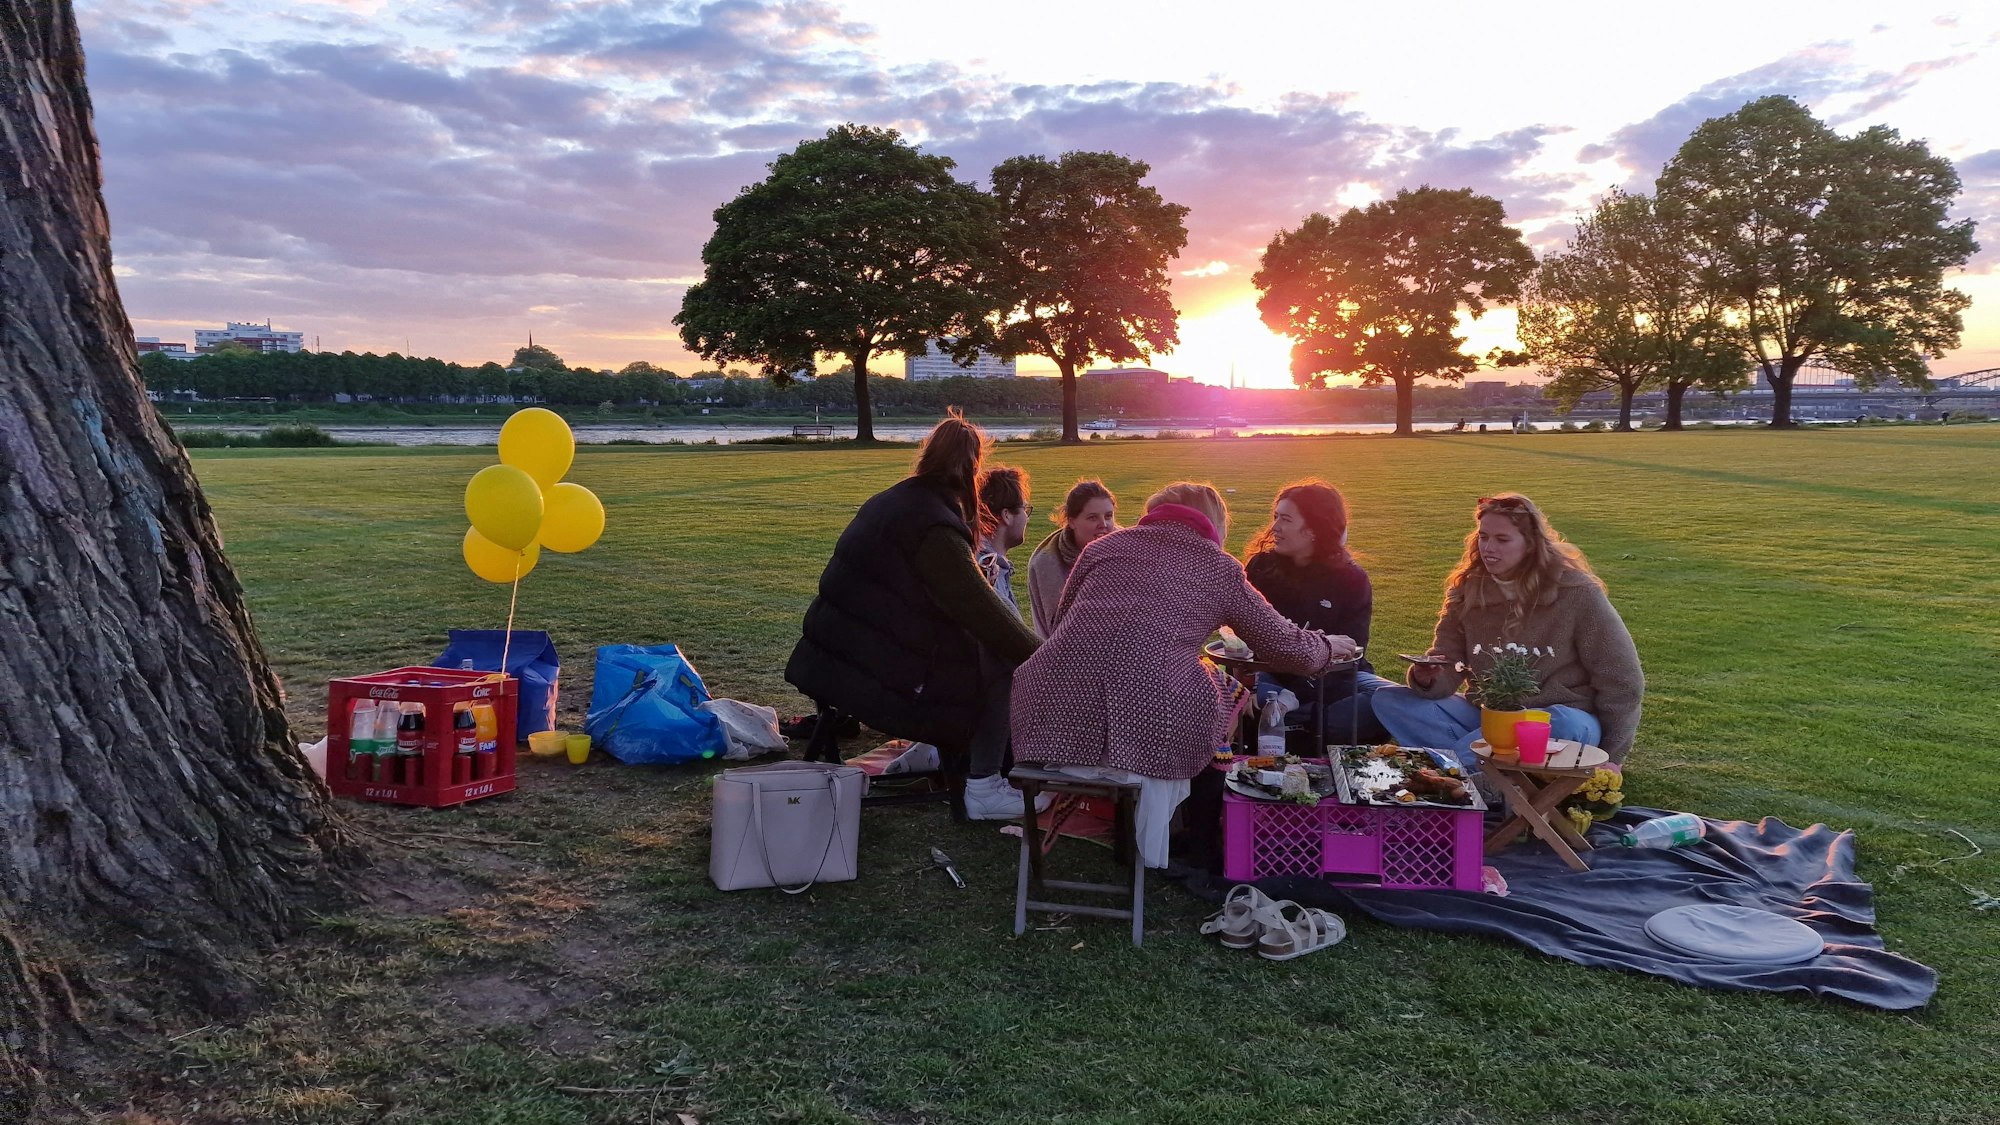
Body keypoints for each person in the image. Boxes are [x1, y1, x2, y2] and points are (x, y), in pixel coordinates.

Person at [1010, 483, 1354, 866]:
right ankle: (1199, 843)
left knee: (1208, 684)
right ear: (1214, 522)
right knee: (1219, 705)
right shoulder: (1217, 566)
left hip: (1052, 718)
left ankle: (1164, 832)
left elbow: (1062, 623)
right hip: (1137, 729)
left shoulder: (1103, 548)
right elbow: (1284, 645)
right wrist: (1325, 646)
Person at [784, 414, 1044, 820]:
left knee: (975, 653)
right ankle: (984, 785)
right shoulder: (934, 525)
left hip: (833, 652)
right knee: (1000, 664)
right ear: (973, 470)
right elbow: (985, 613)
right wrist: (1046, 658)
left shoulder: (897, 500)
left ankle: (959, 764)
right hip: (865, 667)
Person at [1369, 492, 1645, 767]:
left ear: (1530, 544)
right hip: (1489, 717)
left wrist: (1613, 756)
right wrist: (1429, 676)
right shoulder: (1468, 589)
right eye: (1484, 536)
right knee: (1390, 700)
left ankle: (1454, 769)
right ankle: (1484, 764)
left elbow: (1622, 681)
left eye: (1502, 540)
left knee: (1563, 723)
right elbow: (1447, 658)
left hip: (1560, 719)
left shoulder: (1577, 592)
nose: (1489, 548)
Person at [1242, 481, 1393, 745]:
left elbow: (1352, 649)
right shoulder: (1261, 569)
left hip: (1337, 680)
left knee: (1393, 701)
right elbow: (1244, 638)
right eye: (1275, 516)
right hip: (1273, 675)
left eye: (1285, 519)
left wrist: (1304, 692)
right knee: (1261, 698)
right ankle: (1311, 728)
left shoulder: (1351, 578)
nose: (1274, 527)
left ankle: (1298, 724)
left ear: (1313, 529)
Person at [1026, 478, 1118, 635]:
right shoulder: (1046, 562)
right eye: (1092, 517)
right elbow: (1055, 627)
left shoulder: (1127, 550)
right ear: (1072, 521)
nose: (1103, 524)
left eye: (1108, 516)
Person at [975, 466, 1031, 617]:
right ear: (1006, 515)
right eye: (1025, 510)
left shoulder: (977, 558)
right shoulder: (987, 572)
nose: (1026, 517)